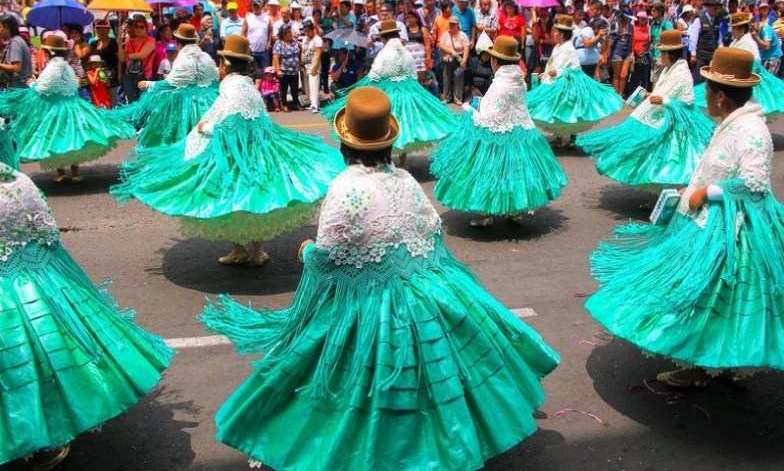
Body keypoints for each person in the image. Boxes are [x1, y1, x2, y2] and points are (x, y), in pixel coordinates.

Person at [201, 86, 559, 470]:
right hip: (426, 292)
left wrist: (306, 252)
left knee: (341, 375)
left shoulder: (345, 187)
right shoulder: (404, 179)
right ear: (387, 142)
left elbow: (329, 262)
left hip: (370, 301)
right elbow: (429, 236)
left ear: (344, 141)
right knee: (437, 379)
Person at [585, 47, 784, 389]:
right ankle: (716, 363)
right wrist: (690, 190)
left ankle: (712, 364)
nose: (701, 95)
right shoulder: (731, 122)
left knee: (713, 299)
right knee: (712, 300)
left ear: (721, 97)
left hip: (732, 233)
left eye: (706, 89)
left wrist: (707, 193)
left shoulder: (751, 131)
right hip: (707, 222)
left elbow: (754, 186)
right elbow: (717, 167)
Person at [112, 35, 344, 266]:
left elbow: (235, 125)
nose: (219, 67)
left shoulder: (232, 86)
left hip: (236, 153)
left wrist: (208, 128)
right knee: (255, 200)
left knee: (233, 202)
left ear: (228, 64)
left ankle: (240, 249)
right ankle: (257, 250)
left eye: (222, 63)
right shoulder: (247, 85)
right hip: (255, 151)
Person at [0, 160, 173, 471]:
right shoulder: (16, 183)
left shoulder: (16, 183)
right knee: (41, 360)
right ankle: (43, 443)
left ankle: (37, 441)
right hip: (33, 284)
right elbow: (49, 238)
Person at [431, 35, 567, 227]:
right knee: (515, 172)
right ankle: (515, 211)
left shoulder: (501, 83)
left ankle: (485, 213)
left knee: (488, 172)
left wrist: (472, 111)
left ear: (495, 60)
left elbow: (489, 116)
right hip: (520, 132)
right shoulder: (518, 80)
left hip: (497, 135)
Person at [578, 30, 715, 192]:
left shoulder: (682, 73)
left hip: (672, 125)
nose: (659, 56)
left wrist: (664, 100)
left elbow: (687, 103)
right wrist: (653, 95)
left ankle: (666, 195)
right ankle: (658, 195)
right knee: (655, 159)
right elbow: (664, 91)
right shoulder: (668, 70)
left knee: (668, 162)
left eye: (662, 53)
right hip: (659, 117)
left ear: (669, 55)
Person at [0, 34, 134, 183]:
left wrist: (32, 83)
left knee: (57, 139)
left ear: (49, 52)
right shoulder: (67, 66)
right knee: (74, 138)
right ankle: (75, 173)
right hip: (72, 106)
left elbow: (44, 88)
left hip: (57, 109)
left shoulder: (52, 67)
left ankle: (62, 173)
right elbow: (73, 85)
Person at [323, 20, 457, 166]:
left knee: (389, 124)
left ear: (384, 37)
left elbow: (375, 75)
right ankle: (403, 162)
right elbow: (412, 73)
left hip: (390, 92)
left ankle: (385, 160)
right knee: (406, 126)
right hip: (409, 91)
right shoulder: (405, 52)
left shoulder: (385, 53)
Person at [527, 15, 623, 147]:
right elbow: (553, 64)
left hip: (568, 84)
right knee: (558, 111)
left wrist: (559, 72)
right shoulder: (558, 47)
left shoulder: (569, 48)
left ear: (561, 34)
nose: (553, 34)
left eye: (556, 32)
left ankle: (572, 138)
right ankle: (559, 137)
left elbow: (574, 68)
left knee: (571, 110)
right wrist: (546, 73)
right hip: (555, 83)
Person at [121, 24, 220, 149]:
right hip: (208, 102)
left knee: (180, 138)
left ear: (179, 43)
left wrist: (149, 84)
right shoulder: (205, 57)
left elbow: (172, 83)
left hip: (187, 104)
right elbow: (215, 79)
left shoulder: (184, 57)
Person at [693, 12, 784, 121]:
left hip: (743, 81)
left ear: (741, 29)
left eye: (734, 29)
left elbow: (754, 64)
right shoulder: (736, 41)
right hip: (731, 80)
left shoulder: (749, 43)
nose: (732, 31)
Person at [119, 14, 155, 104]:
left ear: (146, 29)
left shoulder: (150, 40)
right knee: (132, 102)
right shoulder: (129, 42)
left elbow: (142, 55)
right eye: (136, 27)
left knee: (144, 103)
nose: (138, 29)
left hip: (145, 76)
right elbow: (122, 58)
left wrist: (129, 56)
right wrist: (119, 44)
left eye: (141, 27)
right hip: (130, 75)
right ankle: (134, 118)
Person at [688, 0, 723, 83]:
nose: (716, 11)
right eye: (714, 8)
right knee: (699, 80)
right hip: (701, 56)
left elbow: (719, 39)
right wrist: (693, 54)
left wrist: (720, 51)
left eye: (717, 8)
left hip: (712, 56)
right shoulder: (699, 20)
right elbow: (693, 38)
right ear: (708, 8)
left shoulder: (717, 21)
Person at [438, 17, 470, 105]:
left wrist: (464, 60)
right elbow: (441, 45)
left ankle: (458, 98)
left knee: (459, 79)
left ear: (457, 25)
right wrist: (451, 51)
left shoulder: (463, 35)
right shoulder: (445, 34)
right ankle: (446, 97)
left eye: (453, 24)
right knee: (446, 78)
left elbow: (466, 48)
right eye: (450, 24)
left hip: (458, 60)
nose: (451, 25)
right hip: (447, 59)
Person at [90, 19, 120, 106]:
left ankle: (113, 117)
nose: (102, 31)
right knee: (99, 98)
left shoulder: (114, 43)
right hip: (97, 74)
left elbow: (120, 59)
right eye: (99, 28)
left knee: (112, 98)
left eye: (105, 28)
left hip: (110, 73)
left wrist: (119, 73)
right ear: (96, 30)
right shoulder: (93, 44)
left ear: (108, 30)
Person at [272, 24, 302, 112]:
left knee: (295, 89)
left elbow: (299, 51)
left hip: (294, 71)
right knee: (284, 89)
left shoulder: (293, 41)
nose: (290, 34)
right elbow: (276, 57)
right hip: (284, 71)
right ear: (283, 34)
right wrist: (278, 70)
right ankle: (284, 105)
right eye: (288, 33)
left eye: (290, 32)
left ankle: (296, 103)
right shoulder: (278, 43)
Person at [0, 12, 32, 88]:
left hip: (19, 88)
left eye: (0, 27)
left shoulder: (15, 43)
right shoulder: (17, 40)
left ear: (7, 28)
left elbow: (16, 68)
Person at [242, 0, 273, 72]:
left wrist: (269, 43)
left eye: (257, 6)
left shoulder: (267, 18)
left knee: (264, 73)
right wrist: (247, 46)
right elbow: (243, 33)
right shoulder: (248, 18)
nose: (256, 7)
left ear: (261, 6)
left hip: (264, 51)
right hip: (252, 51)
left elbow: (270, 32)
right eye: (254, 5)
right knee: (252, 73)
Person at [301, 19, 323, 113]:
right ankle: (311, 103)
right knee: (307, 86)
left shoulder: (317, 39)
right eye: (305, 31)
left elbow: (318, 54)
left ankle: (315, 105)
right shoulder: (304, 39)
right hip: (305, 65)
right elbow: (303, 51)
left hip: (314, 65)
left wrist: (314, 67)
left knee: (313, 85)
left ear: (312, 29)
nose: (306, 33)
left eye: (308, 31)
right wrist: (301, 60)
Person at [609, 13, 633, 95]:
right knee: (617, 75)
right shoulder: (615, 25)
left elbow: (632, 40)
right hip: (616, 51)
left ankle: (621, 93)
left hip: (626, 52)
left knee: (624, 74)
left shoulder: (630, 26)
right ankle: (616, 95)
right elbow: (610, 38)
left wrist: (632, 53)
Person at [404, 8, 431, 80]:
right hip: (409, 60)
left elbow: (427, 45)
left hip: (420, 61)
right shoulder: (405, 30)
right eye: (408, 17)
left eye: (411, 17)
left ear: (416, 19)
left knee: (420, 81)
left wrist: (428, 58)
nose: (409, 19)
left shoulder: (422, 29)